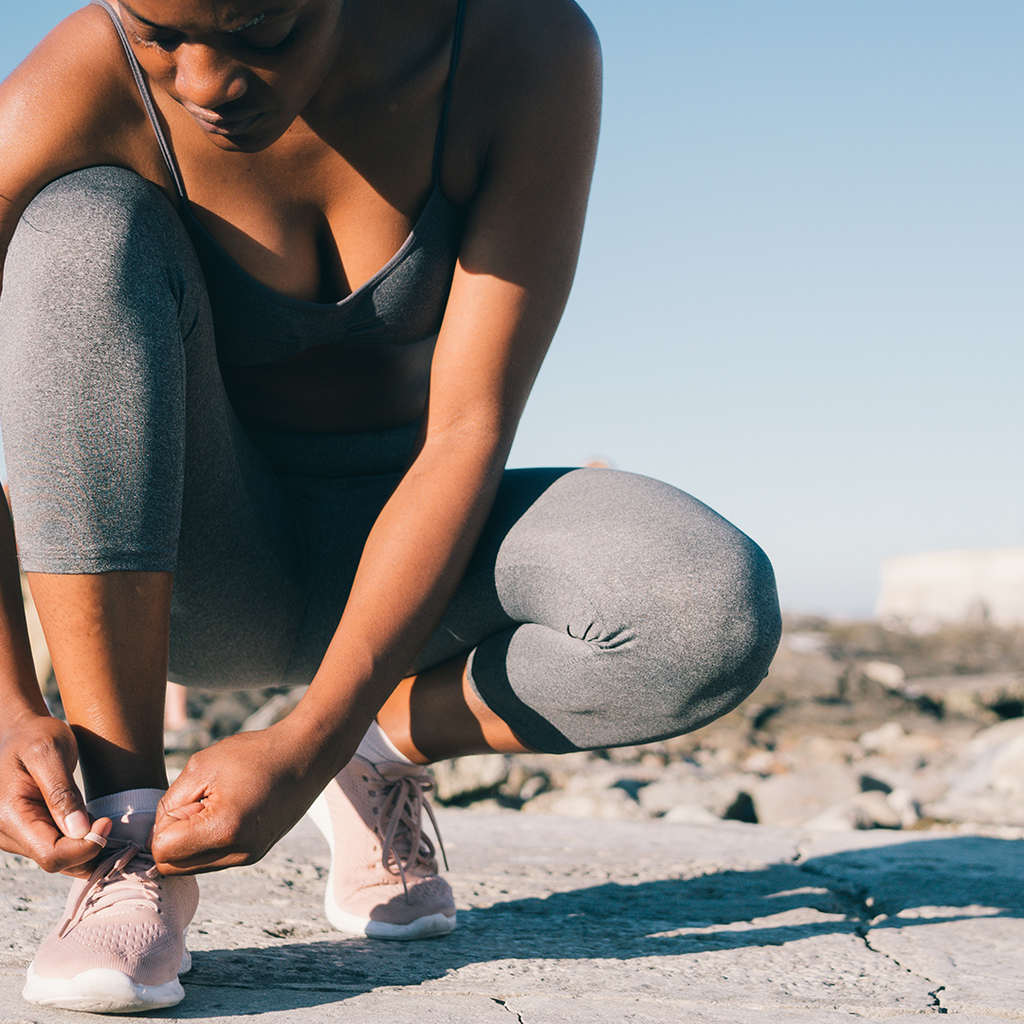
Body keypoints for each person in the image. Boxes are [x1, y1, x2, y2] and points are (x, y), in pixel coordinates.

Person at [0, 0, 781, 1013]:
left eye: (256, 32)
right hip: (197, 568)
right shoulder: (85, 76)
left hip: (424, 561)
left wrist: (318, 735)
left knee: (702, 608)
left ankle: (376, 753)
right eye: (161, 37)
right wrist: (11, 697)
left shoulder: (523, 49)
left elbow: (467, 430)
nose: (204, 84)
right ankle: (126, 831)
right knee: (77, 227)